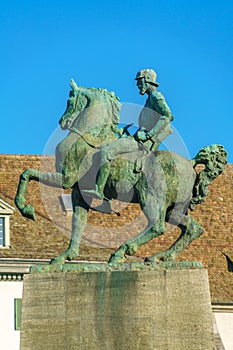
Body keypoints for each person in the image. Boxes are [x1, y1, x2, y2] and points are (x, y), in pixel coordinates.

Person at [83, 68, 174, 200]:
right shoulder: (151, 98)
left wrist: (149, 135)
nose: (137, 85)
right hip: (139, 138)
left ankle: (99, 189)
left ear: (147, 80)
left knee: (106, 152)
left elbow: (167, 116)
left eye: (139, 81)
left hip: (143, 142)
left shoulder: (156, 97)